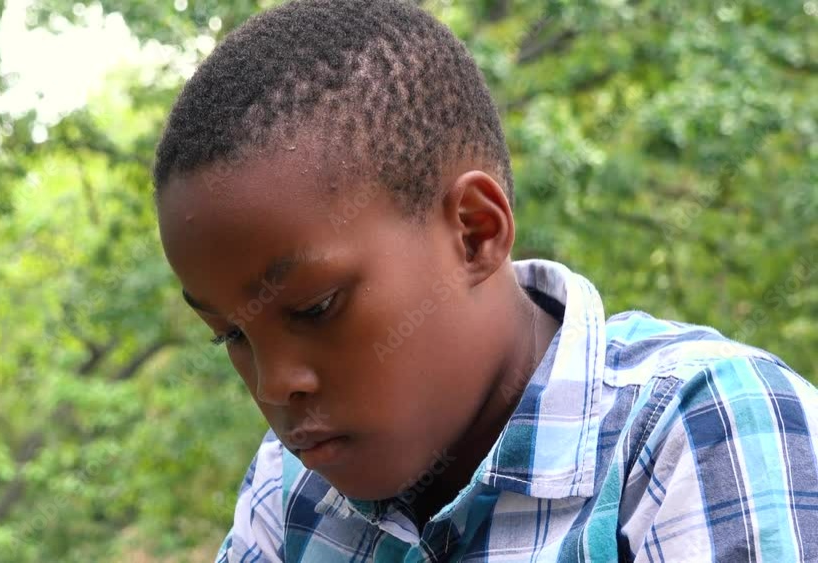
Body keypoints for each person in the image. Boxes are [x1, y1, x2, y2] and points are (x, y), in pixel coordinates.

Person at [151, 0, 818, 560]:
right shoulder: (289, 491)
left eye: (317, 307)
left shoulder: (697, 429)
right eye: (231, 335)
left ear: (474, 232)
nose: (274, 385)